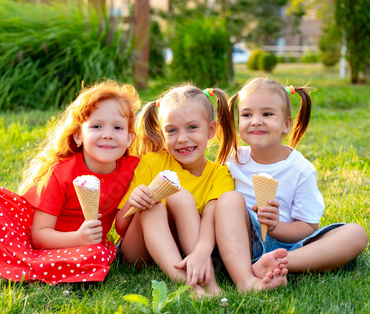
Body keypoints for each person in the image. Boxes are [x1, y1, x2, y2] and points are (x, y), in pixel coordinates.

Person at [0, 80, 140, 289]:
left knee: (98, 255)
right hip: (29, 241)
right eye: (96, 126)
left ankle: (4, 274)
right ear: (78, 136)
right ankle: (11, 270)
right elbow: (38, 236)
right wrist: (78, 237)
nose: (108, 134)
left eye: (117, 127)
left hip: (78, 250)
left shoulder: (133, 169)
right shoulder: (61, 174)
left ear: (129, 138)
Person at [115, 85, 284, 297]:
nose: (182, 139)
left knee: (181, 197)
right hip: (137, 252)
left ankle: (208, 282)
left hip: (184, 252)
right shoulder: (152, 162)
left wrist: (202, 252)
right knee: (157, 203)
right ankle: (190, 284)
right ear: (162, 133)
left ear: (211, 130)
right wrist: (133, 201)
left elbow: (213, 216)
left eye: (192, 128)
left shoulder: (219, 174)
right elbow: (121, 227)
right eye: (172, 130)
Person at [215, 77, 368, 293]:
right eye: (247, 115)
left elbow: (307, 227)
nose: (256, 121)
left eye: (267, 114)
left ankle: (275, 264)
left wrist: (277, 227)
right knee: (229, 199)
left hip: (288, 247)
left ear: (286, 124)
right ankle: (245, 280)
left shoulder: (300, 169)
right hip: (239, 245)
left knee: (356, 233)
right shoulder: (232, 160)